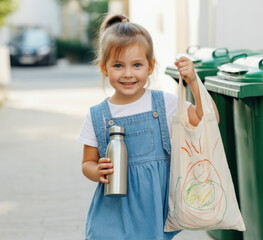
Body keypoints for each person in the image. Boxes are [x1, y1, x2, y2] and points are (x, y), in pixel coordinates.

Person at [78, 13, 219, 240]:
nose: (128, 73)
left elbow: (208, 120)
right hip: (113, 211)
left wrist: (194, 80)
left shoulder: (164, 104)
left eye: (136, 65)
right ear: (104, 68)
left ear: (150, 66)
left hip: (153, 212)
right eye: (118, 65)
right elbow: (87, 163)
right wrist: (97, 171)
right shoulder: (98, 115)